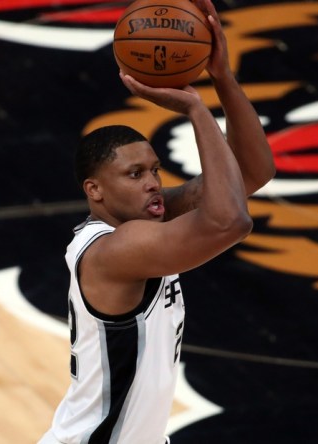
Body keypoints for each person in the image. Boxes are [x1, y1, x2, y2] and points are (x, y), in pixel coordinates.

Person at [39, 0, 275, 442]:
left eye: (154, 170)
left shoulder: (148, 221)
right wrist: (196, 111)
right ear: (95, 191)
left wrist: (222, 77)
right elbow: (230, 223)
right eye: (134, 174)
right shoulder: (116, 251)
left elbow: (254, 172)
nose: (152, 183)